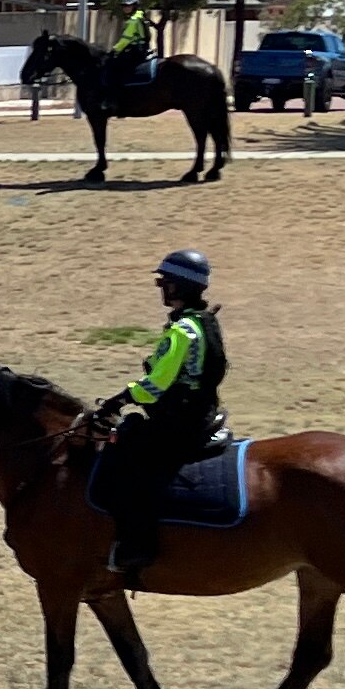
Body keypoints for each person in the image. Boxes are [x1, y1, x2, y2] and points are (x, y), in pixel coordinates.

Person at [96, 247, 228, 582]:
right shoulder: (204, 321)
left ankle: (136, 546)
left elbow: (157, 383)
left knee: (127, 459)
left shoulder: (183, 330)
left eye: (165, 282)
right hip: (199, 412)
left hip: (180, 422)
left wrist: (120, 399)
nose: (161, 288)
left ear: (179, 286)